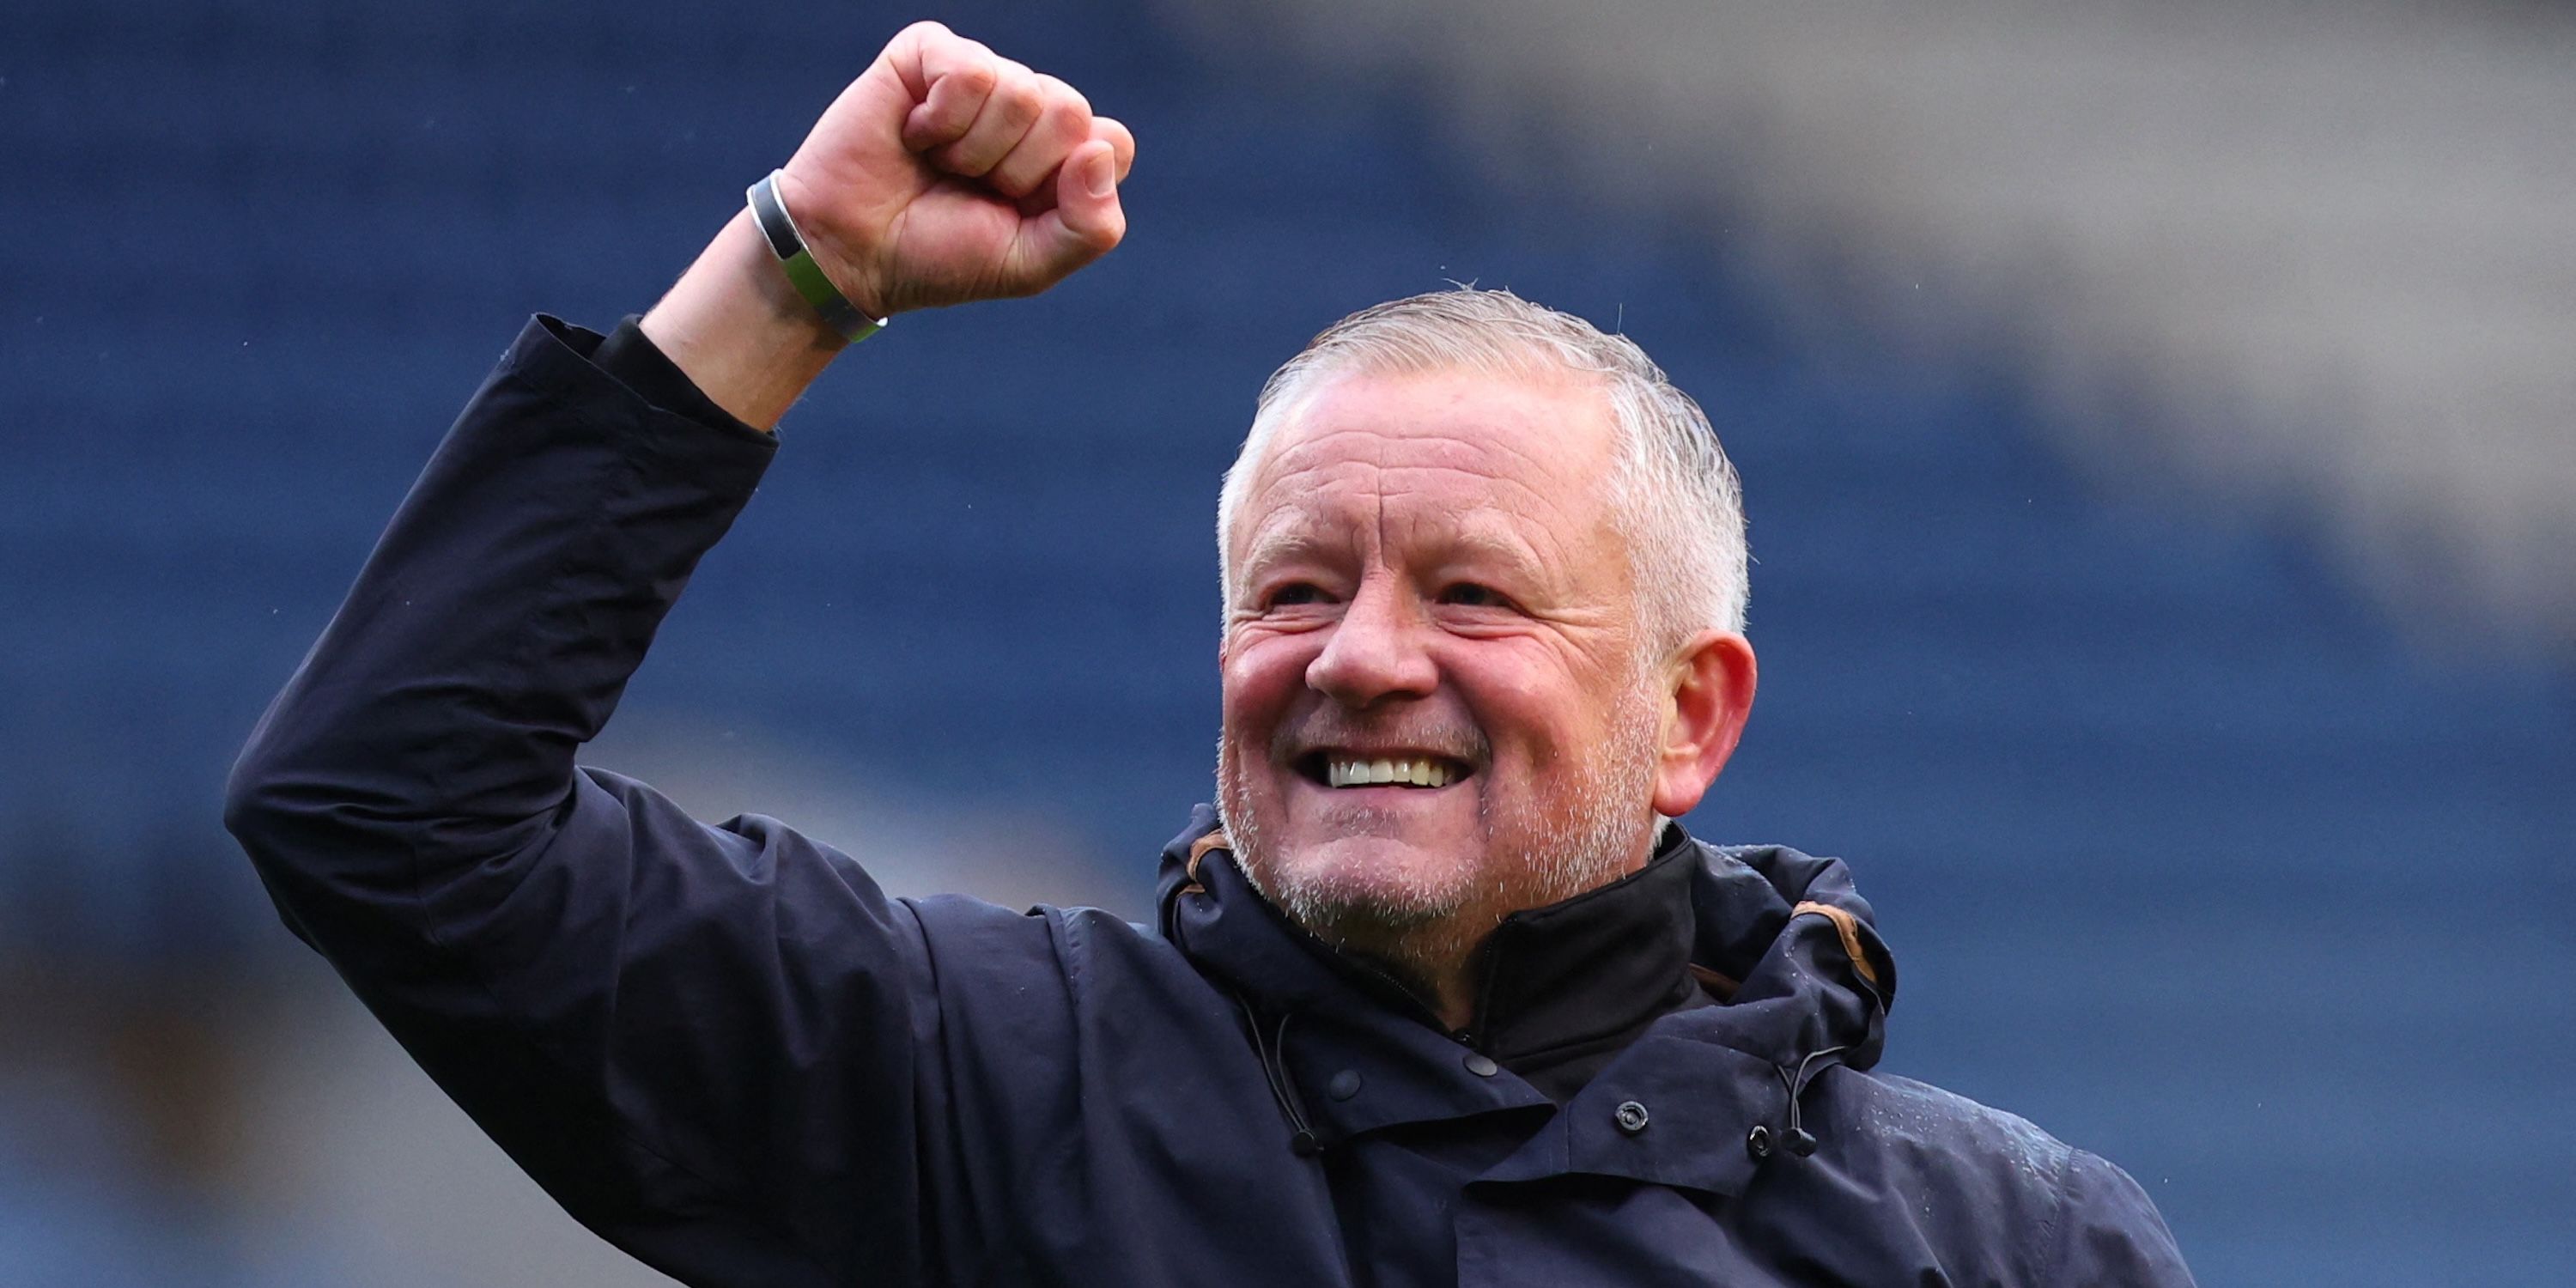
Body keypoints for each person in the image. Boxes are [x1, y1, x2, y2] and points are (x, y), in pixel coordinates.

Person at [225, 20, 2196, 1288]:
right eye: (1294, 589)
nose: (1361, 658)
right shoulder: (977, 1085)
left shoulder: (2006, 1244)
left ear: (1692, 714)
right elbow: (385, 811)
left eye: (1473, 595)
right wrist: (794, 279)